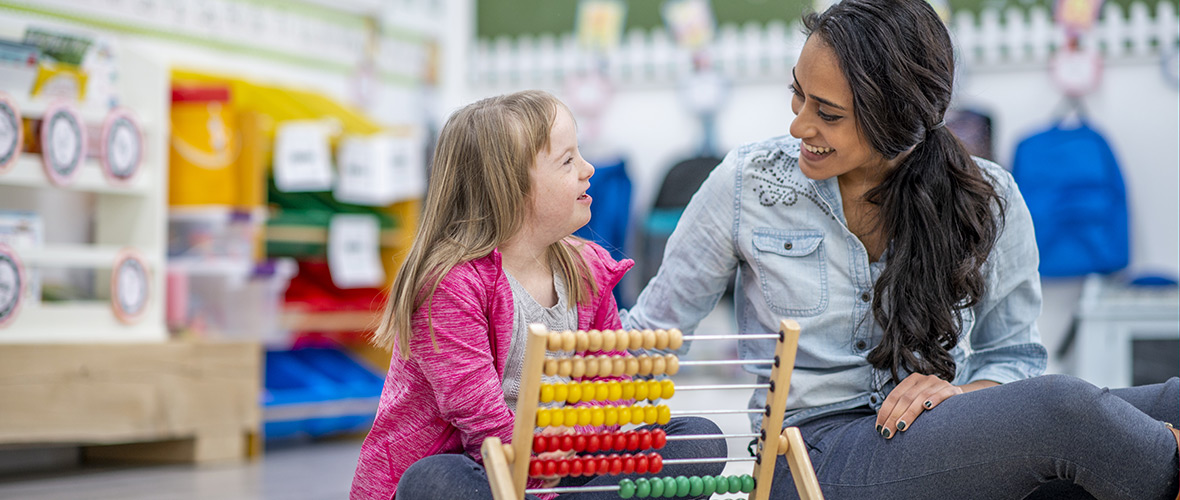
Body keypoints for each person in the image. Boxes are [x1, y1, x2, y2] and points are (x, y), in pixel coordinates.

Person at [621, 0, 1180, 498]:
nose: (799, 125)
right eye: (798, 93)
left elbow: (1014, 359)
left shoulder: (989, 198)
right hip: (809, 457)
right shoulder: (747, 184)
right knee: (1068, 416)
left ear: (901, 120)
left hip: (934, 441)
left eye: (828, 113)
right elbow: (653, 329)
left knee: (1167, 404)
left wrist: (961, 395)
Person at [350, 90, 725, 500]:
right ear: (510, 188)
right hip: (484, 468)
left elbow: (611, 381)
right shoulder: (450, 286)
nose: (588, 168)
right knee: (433, 479)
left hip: (561, 465)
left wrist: (568, 440)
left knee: (700, 439)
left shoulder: (588, 269)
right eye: (567, 161)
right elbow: (485, 430)